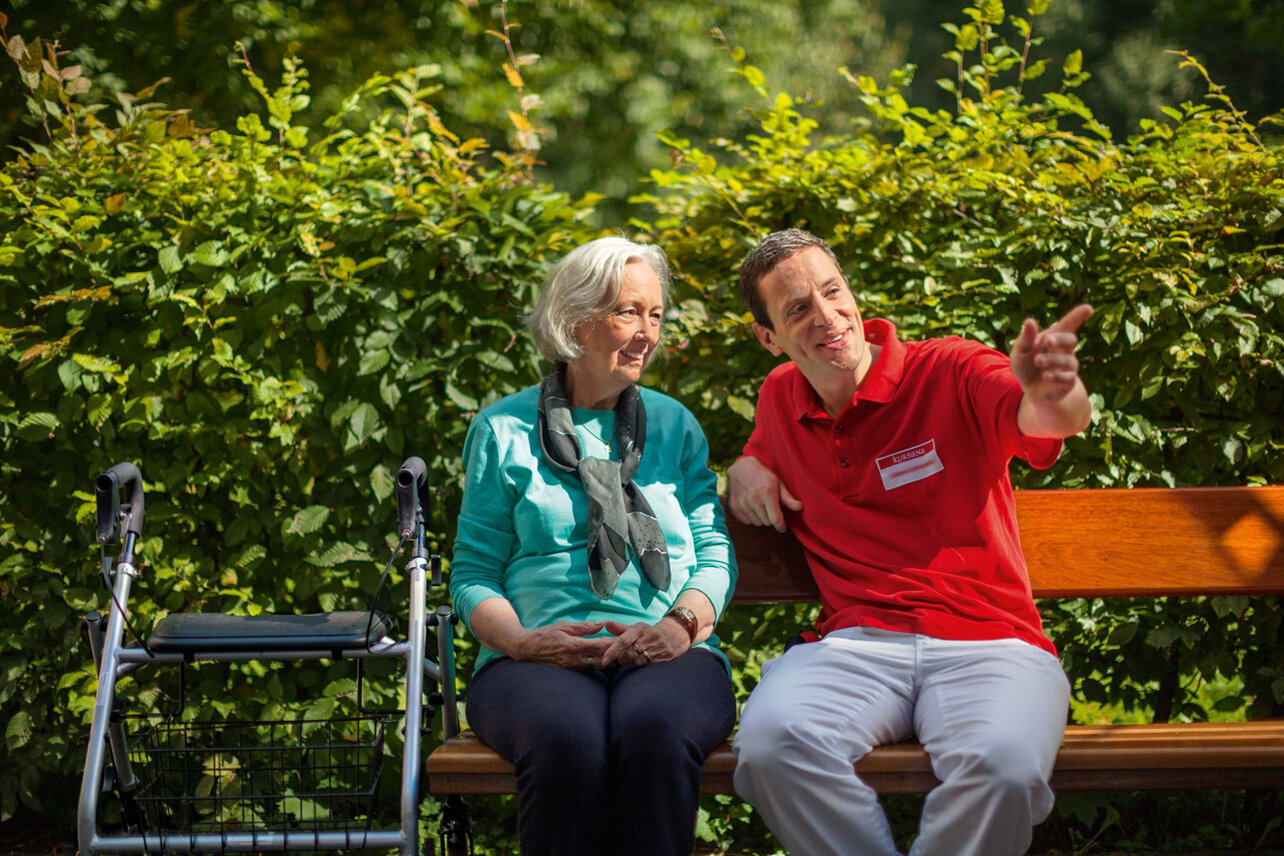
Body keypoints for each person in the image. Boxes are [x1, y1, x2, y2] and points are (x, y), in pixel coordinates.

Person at [726, 228, 1092, 856]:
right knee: (770, 747)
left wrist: (1055, 389)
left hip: (992, 641)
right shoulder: (779, 397)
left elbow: (1045, 419)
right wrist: (744, 467)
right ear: (770, 340)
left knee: (1002, 766)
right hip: (855, 645)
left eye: (833, 292)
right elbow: (761, 453)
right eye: (797, 310)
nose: (827, 316)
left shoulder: (950, 368)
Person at [449, 236, 738, 856]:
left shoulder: (673, 424)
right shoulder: (502, 429)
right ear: (576, 318)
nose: (647, 333)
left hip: (668, 647)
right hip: (532, 659)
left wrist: (681, 626)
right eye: (628, 312)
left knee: (657, 730)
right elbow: (474, 573)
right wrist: (525, 643)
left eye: (655, 315)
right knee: (566, 737)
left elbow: (714, 552)